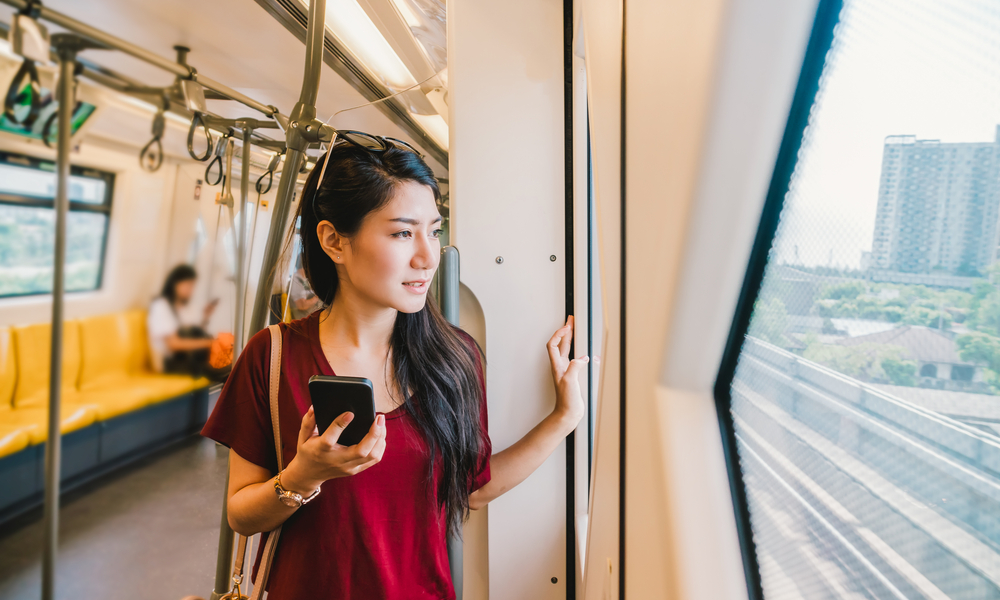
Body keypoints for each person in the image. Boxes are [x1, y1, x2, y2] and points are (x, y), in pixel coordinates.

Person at [201, 137, 587, 600]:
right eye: (403, 233)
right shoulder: (273, 356)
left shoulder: (454, 358)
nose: (427, 255)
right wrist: (303, 476)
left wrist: (563, 418)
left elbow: (472, 491)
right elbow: (241, 514)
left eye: (434, 231)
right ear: (333, 241)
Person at [148, 264, 230, 381]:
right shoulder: (161, 305)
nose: (190, 290)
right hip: (171, 364)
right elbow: (173, 344)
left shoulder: (184, 307)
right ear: (174, 284)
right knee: (225, 371)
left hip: (190, 359)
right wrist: (209, 343)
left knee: (228, 362)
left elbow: (194, 334)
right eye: (187, 285)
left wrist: (206, 316)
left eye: (192, 286)